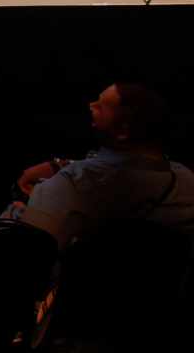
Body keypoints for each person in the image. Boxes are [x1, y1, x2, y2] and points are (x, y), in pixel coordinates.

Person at [10, 83, 194, 248]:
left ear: (123, 130)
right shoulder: (186, 179)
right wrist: (59, 165)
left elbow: (29, 258)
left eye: (100, 106)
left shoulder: (72, 185)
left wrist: (15, 213)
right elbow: (122, 166)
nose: (91, 105)